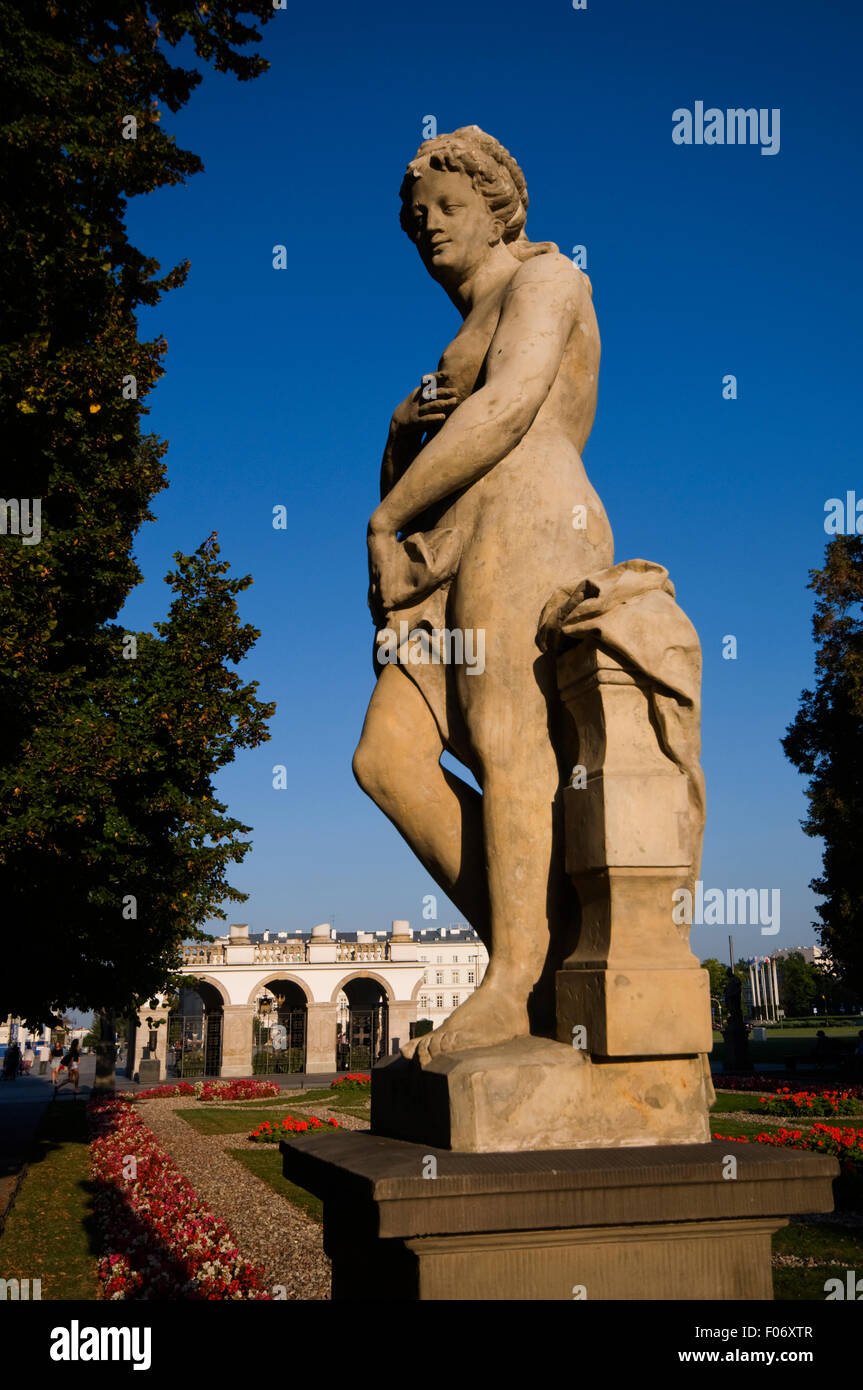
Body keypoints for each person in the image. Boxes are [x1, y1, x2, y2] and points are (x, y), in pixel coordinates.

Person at [356, 127, 612, 1060]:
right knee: (386, 760)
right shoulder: (455, 334)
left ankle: (514, 979)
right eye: (414, 216)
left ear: (497, 207)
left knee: (509, 745)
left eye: (447, 207)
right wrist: (396, 428)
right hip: (449, 546)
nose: (427, 227)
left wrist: (384, 522)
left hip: (528, 512)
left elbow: (507, 410)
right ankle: (537, 932)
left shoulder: (548, 279)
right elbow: (425, 456)